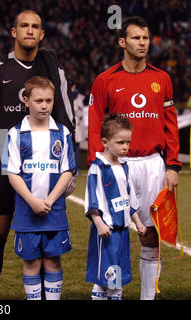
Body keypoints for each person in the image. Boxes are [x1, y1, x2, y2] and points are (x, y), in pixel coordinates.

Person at [0, 9, 75, 300]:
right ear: (13, 32)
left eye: (36, 27)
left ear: (42, 34)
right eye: (24, 26)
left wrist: (72, 168)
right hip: (2, 168)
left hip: (44, 167)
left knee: (44, 240)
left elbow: (67, 116)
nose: (30, 30)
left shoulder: (56, 71)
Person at [87, 16, 181, 300]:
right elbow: (94, 125)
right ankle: (105, 290)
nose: (142, 43)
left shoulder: (161, 79)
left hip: (154, 164)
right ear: (122, 42)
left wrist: (173, 165)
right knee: (113, 230)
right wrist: (97, 164)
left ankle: (146, 298)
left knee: (151, 235)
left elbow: (170, 123)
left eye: (145, 38)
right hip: (118, 167)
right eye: (136, 38)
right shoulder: (105, 80)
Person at [85, 114, 146, 300]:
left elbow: (130, 199)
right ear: (105, 141)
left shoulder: (124, 167)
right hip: (106, 231)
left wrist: (138, 222)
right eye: (120, 142)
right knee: (105, 275)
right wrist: (99, 223)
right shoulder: (98, 167)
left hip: (122, 231)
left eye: (128, 142)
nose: (125, 147)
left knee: (117, 275)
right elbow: (92, 199)